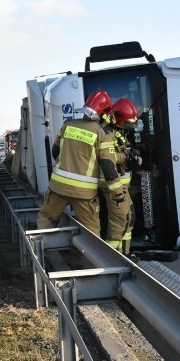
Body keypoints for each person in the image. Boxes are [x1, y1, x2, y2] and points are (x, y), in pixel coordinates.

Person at [36, 91, 125, 236]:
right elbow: (108, 167)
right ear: (104, 112)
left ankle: (43, 254)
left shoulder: (67, 126)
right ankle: (88, 257)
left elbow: (55, 152)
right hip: (84, 193)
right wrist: (118, 195)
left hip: (58, 188)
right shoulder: (102, 134)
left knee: (46, 219)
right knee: (92, 234)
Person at [102, 99, 142, 253]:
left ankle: (125, 254)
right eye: (126, 122)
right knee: (119, 222)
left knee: (129, 219)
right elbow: (107, 160)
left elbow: (122, 149)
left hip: (122, 185)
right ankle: (113, 259)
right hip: (114, 186)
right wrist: (126, 156)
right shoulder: (106, 133)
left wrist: (132, 153)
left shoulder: (116, 131)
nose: (127, 126)